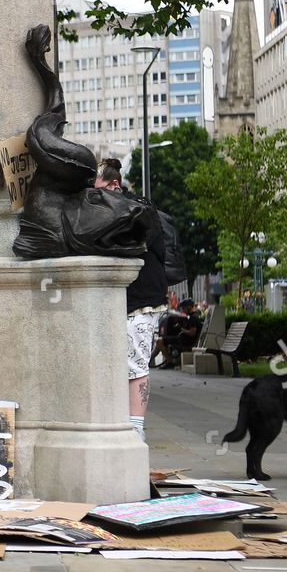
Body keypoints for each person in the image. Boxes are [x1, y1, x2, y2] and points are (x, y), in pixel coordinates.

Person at [92, 159, 167, 443]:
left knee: (135, 363)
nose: (92, 197)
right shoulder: (112, 208)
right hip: (123, 298)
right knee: (122, 362)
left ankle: (136, 431)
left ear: (113, 185)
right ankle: (126, 424)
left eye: (96, 190)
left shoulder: (138, 209)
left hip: (140, 299)